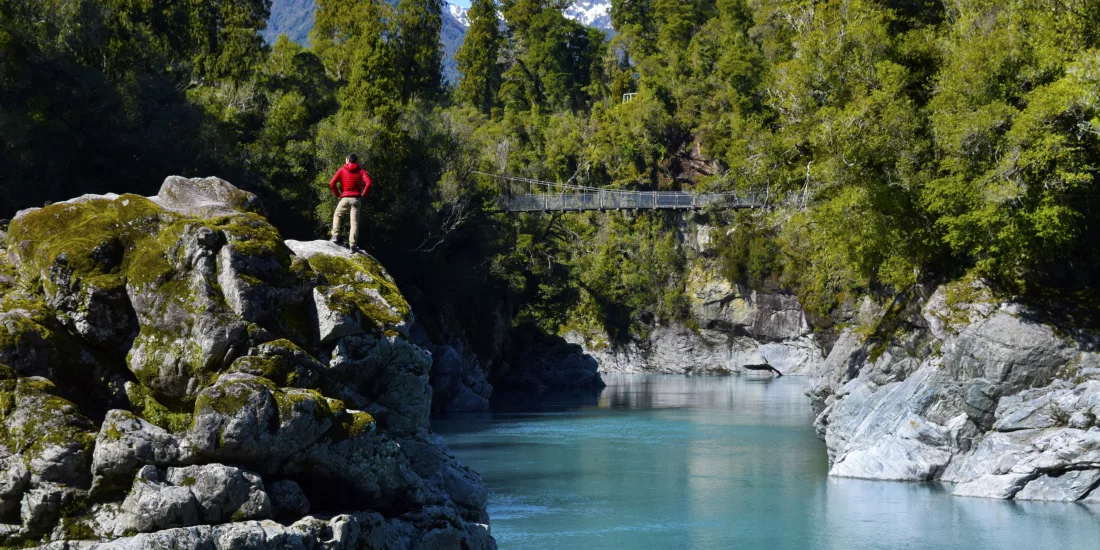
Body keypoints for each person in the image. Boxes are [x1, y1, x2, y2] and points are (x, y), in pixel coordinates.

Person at [329, 154, 373, 252]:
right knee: (354, 223)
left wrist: (337, 195)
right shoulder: (361, 171)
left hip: (345, 198)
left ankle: (335, 235)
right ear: (356, 161)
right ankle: (353, 245)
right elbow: (369, 183)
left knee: (337, 215)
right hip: (356, 199)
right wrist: (363, 194)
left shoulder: (342, 170)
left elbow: (332, 183)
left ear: (348, 160)